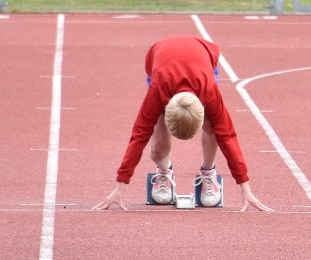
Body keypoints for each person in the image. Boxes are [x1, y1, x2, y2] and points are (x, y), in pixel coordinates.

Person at [93, 35, 272, 212]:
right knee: (158, 145)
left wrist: (245, 188)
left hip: (203, 56)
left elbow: (227, 136)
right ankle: (164, 171)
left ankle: (208, 172)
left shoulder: (209, 92)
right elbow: (139, 135)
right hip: (159, 58)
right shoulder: (157, 91)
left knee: (214, 126)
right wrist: (120, 185)